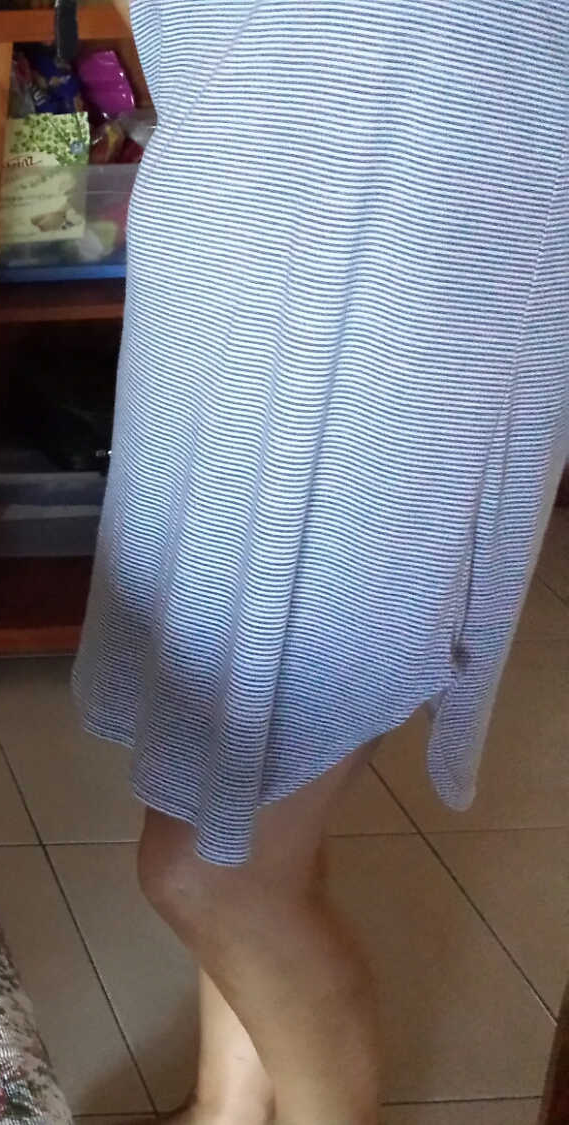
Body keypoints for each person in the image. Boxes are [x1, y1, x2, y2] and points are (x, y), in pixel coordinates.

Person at [76, 3, 569, 1125]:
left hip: (398, 358)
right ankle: (223, 1112)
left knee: (212, 872)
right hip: (237, 343)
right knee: (239, 805)